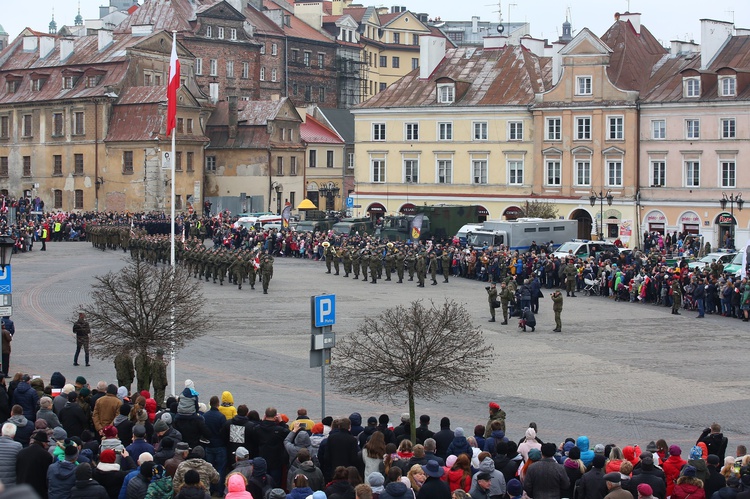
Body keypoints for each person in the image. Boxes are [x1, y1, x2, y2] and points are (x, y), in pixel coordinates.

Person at [17, 430, 54, 498]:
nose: (47, 444)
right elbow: (46, 476)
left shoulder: (21, 452)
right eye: (46, 442)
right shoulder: (46, 456)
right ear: (43, 442)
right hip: (38, 490)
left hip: (22, 488)